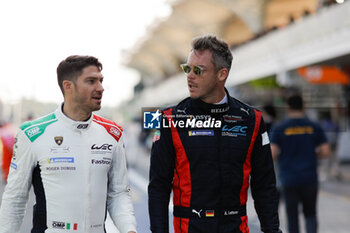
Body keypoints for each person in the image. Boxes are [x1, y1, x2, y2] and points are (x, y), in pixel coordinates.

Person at [148, 35, 281, 233]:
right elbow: (158, 186)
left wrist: (272, 230)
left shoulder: (252, 118)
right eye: (187, 69)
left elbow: (265, 184)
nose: (190, 76)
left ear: (221, 74)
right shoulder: (167, 118)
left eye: (198, 70)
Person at [0, 55, 137, 233]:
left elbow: (118, 194)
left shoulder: (113, 133)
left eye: (101, 81)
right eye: (91, 81)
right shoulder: (32, 133)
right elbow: (15, 198)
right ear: (68, 86)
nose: (101, 88)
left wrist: (129, 229)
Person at [270, 94, 330, 233]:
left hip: (288, 178)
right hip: (309, 177)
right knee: (310, 214)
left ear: (287, 107)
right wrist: (312, 155)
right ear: (303, 106)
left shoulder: (280, 127)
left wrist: (284, 157)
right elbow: (326, 151)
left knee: (292, 217)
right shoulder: (313, 126)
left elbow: (272, 153)